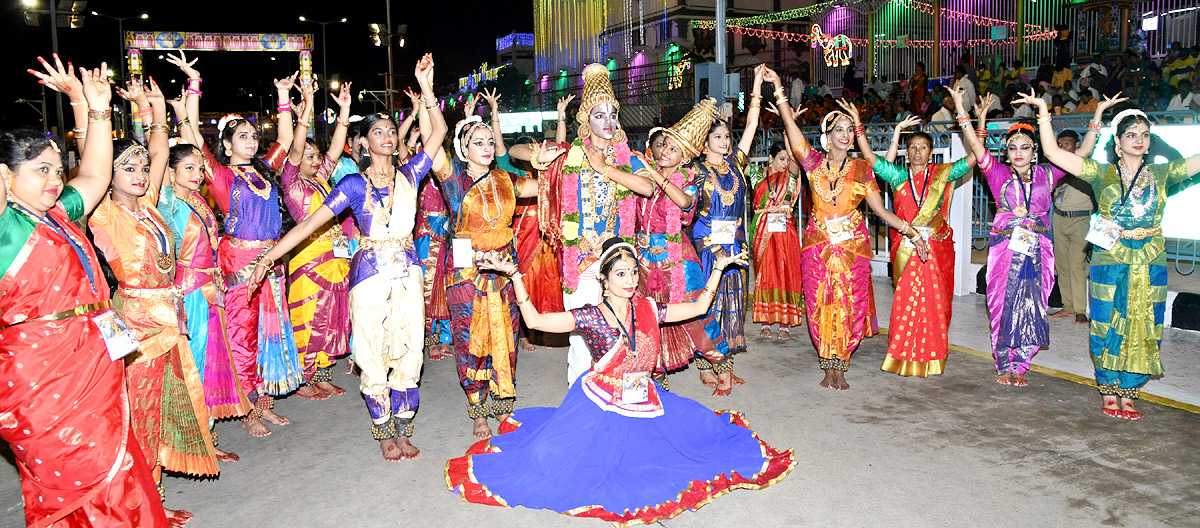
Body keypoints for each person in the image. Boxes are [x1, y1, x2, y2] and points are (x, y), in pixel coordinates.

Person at [445, 240, 794, 526]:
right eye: (620, 273)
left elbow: (699, 306)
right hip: (600, 404)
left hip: (645, 398)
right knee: (555, 464)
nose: (629, 280)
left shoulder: (648, 308)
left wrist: (719, 267)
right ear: (604, 279)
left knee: (705, 439)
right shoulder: (592, 316)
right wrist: (515, 275)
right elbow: (534, 319)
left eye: (632, 273)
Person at [249, 55, 446, 459]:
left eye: (392, 131)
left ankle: (405, 427)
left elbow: (438, 131)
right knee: (371, 352)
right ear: (364, 142)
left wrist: (426, 89)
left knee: (411, 350)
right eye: (378, 132)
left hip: (408, 274)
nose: (388, 136)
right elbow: (306, 226)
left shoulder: (411, 173)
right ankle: (384, 432)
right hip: (369, 276)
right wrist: (267, 259)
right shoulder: (353, 184)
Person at [4, 55, 169, 528]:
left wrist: (90, 107)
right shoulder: (4, 228)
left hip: (92, 352)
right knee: (75, 469)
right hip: (41, 371)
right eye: (41, 170)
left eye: (57, 170)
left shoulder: (57, 214)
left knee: (116, 461)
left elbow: (95, 175)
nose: (55, 180)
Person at [87, 78, 219, 519]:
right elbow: (94, 165)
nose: (142, 175)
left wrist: (158, 112)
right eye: (129, 169)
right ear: (109, 174)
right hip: (138, 326)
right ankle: (141, 508)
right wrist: (92, 110)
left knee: (160, 412)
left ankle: (153, 498)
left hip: (168, 320)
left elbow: (161, 152)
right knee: (137, 417)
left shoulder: (152, 205)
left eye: (144, 169)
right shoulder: (105, 212)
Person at [1031, 100, 1200, 420]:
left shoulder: (1162, 173)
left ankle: (1130, 389)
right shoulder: (1101, 173)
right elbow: (1053, 154)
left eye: (1146, 134)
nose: (1139, 139)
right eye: (1132, 134)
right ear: (1118, 143)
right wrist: (1042, 111)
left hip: (1151, 259)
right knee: (1108, 322)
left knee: (1146, 325)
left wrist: (1164, 143)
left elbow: (1195, 162)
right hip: (1110, 258)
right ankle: (1109, 388)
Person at [768, 67, 929, 390]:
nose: (844, 134)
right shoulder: (812, 163)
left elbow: (881, 210)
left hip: (851, 249)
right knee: (818, 305)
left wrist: (912, 233)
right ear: (826, 137)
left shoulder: (861, 169)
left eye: (848, 130)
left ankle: (841, 366)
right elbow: (790, 126)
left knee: (849, 306)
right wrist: (777, 88)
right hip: (817, 247)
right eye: (838, 129)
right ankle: (827, 365)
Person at [171, 51, 302, 437]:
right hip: (240, 263)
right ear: (226, 145)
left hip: (272, 261)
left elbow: (285, 137)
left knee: (272, 331)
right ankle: (246, 410)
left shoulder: (264, 172)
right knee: (242, 336)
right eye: (242, 136)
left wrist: (282, 98)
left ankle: (264, 401)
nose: (251, 140)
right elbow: (193, 135)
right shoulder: (222, 176)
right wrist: (193, 87)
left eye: (252, 135)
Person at [959, 89, 1124, 386]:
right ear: (1006, 153)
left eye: (1025, 147)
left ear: (1035, 151)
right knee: (1001, 305)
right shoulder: (997, 173)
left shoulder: (1049, 173)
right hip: (1005, 249)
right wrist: (962, 110)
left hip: (1039, 250)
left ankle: (1020, 365)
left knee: (1031, 306)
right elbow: (973, 143)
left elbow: (1083, 152)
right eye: (1013, 148)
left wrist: (1098, 116)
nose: (1019, 152)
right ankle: (1003, 362)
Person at [515, 63, 656, 387]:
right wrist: (539, 157)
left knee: (622, 335)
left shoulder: (628, 157)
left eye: (612, 115)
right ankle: (582, 409)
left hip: (618, 265)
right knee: (581, 341)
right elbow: (515, 149)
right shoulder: (570, 154)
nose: (608, 122)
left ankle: (619, 402)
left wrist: (604, 168)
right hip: (579, 263)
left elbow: (647, 188)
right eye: (599, 115)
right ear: (585, 121)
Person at [845, 96, 974, 378]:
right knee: (905, 303)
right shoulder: (898, 177)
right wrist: (857, 125)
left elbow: (975, 157)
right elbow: (869, 158)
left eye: (923, 147)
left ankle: (933, 356)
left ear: (931, 152)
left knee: (935, 305)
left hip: (936, 249)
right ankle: (901, 355)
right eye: (913, 146)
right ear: (906, 152)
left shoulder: (943, 174)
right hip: (905, 248)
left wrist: (972, 118)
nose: (918, 151)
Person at [689, 65, 767, 395]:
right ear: (705, 141)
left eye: (726, 137)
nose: (725, 141)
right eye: (718, 137)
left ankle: (727, 366)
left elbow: (751, 125)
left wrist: (757, 88)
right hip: (706, 244)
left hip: (735, 243)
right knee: (710, 302)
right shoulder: (693, 169)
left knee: (734, 303)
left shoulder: (736, 163)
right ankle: (709, 366)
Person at [635, 97, 725, 380]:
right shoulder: (644, 176)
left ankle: (718, 361)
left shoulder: (687, 180)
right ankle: (655, 372)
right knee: (649, 317)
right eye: (663, 145)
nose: (664, 152)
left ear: (685, 158)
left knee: (694, 313)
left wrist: (654, 174)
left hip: (677, 259)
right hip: (645, 259)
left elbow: (685, 202)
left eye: (673, 149)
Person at [279, 81, 356, 399]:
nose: (314, 159)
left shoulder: (323, 181)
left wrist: (344, 113)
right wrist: (307, 110)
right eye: (308, 156)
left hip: (335, 260)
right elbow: (295, 151)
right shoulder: (293, 185)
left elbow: (336, 151)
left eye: (316, 156)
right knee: (308, 318)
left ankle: (321, 374)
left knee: (329, 318)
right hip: (308, 259)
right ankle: (303, 379)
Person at [751, 140, 804, 340]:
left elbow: (795, 162)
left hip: (785, 233)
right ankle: (765, 322)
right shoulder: (757, 174)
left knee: (786, 274)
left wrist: (789, 137)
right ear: (771, 158)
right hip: (762, 232)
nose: (785, 163)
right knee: (764, 275)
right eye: (781, 159)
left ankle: (785, 324)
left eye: (788, 159)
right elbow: (736, 159)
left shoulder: (790, 176)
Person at [1050, 130, 1098, 324]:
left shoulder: (1087, 168)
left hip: (1080, 220)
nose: (1063, 148)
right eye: (1060, 144)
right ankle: (1068, 306)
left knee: (1076, 264)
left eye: (1067, 144)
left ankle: (1079, 309)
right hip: (1059, 218)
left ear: (1077, 145)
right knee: (1062, 264)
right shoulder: (1057, 168)